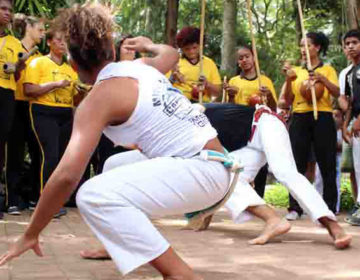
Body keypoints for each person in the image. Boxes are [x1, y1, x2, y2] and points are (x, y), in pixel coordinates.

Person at [0, 4, 236, 280]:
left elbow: (66, 177)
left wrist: (31, 233)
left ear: (74, 65)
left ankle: (178, 273)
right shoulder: (139, 66)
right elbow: (170, 54)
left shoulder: (96, 101)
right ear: (111, 50)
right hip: (217, 165)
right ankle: (116, 243)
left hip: (202, 174)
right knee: (113, 164)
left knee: (92, 195)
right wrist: (149, 45)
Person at [281, 32, 340, 220]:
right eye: (300, 46)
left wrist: (322, 80)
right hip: (299, 117)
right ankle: (295, 208)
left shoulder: (328, 69)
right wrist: (289, 80)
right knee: (297, 164)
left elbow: (337, 93)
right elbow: (286, 100)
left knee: (327, 163)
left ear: (317, 47)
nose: (302, 50)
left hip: (322, 116)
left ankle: (329, 207)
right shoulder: (296, 71)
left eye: (306, 45)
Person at [24, 28, 79, 218]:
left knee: (62, 158)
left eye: (65, 41)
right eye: (58, 39)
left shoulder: (69, 70)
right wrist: (55, 84)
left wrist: (82, 91)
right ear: (49, 42)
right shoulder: (37, 63)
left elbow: (75, 100)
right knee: (51, 155)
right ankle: (44, 202)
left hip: (65, 114)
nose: (63, 44)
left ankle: (55, 201)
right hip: (43, 112)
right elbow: (29, 90)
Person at [224, 45, 278, 196]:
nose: (244, 60)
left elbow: (273, 108)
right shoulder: (234, 81)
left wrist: (269, 96)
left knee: (260, 161)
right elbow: (229, 109)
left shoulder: (264, 81)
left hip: (260, 124)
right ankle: (237, 195)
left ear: (254, 57)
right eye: (240, 58)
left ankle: (259, 196)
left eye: (247, 56)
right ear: (237, 62)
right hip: (240, 124)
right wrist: (232, 96)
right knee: (238, 159)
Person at [5, 14, 45, 215]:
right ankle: (12, 200)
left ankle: (32, 197)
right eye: (40, 28)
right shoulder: (12, 46)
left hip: (35, 108)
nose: (43, 33)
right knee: (14, 153)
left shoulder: (40, 57)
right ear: (28, 27)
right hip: (14, 104)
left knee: (38, 151)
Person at [0, 0, 23, 218]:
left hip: (6, 94)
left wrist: (19, 67)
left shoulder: (14, 43)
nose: (7, 13)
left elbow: (17, 76)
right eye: (2, 8)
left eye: (9, 10)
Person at [168, 26, 221, 103]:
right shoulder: (174, 62)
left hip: (203, 105)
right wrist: (173, 77)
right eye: (187, 49)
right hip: (179, 104)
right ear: (181, 48)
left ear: (201, 45)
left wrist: (207, 84)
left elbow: (217, 93)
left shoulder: (209, 63)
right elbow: (162, 88)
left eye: (194, 47)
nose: (191, 51)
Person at [340, 29, 360, 225]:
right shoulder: (349, 74)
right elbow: (350, 102)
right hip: (354, 125)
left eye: (355, 42)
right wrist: (345, 126)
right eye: (347, 44)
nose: (351, 46)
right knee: (358, 167)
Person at [314, 109, 343, 214]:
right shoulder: (323, 130)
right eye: (333, 115)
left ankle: (335, 207)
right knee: (318, 180)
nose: (335, 118)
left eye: (337, 116)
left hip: (337, 159)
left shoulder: (342, 132)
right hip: (322, 158)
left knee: (335, 182)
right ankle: (316, 205)